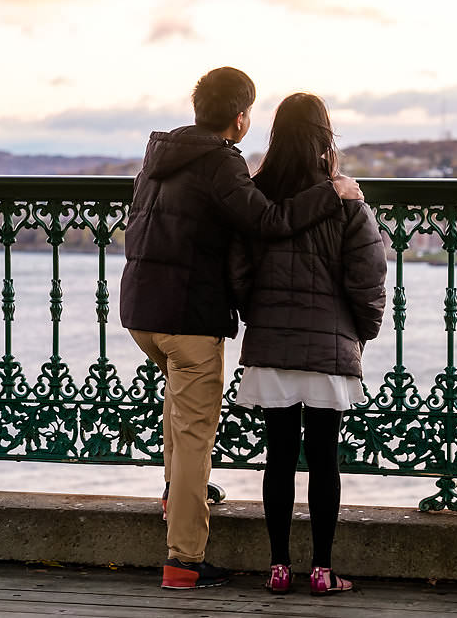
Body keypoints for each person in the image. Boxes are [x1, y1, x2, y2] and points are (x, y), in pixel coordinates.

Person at [120, 68, 364, 591]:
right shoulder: (220, 160)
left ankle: (174, 493)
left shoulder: (158, 155)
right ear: (240, 116)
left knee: (177, 410)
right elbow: (268, 223)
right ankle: (183, 559)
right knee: (193, 436)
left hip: (142, 312)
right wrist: (334, 194)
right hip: (188, 317)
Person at [228, 93, 387, 596]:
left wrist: (262, 316)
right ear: (324, 138)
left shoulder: (257, 198)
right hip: (329, 347)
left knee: (277, 457)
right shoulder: (346, 200)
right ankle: (321, 568)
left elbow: (238, 272)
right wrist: (360, 332)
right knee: (324, 458)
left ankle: (277, 566)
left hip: (272, 345)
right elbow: (368, 275)